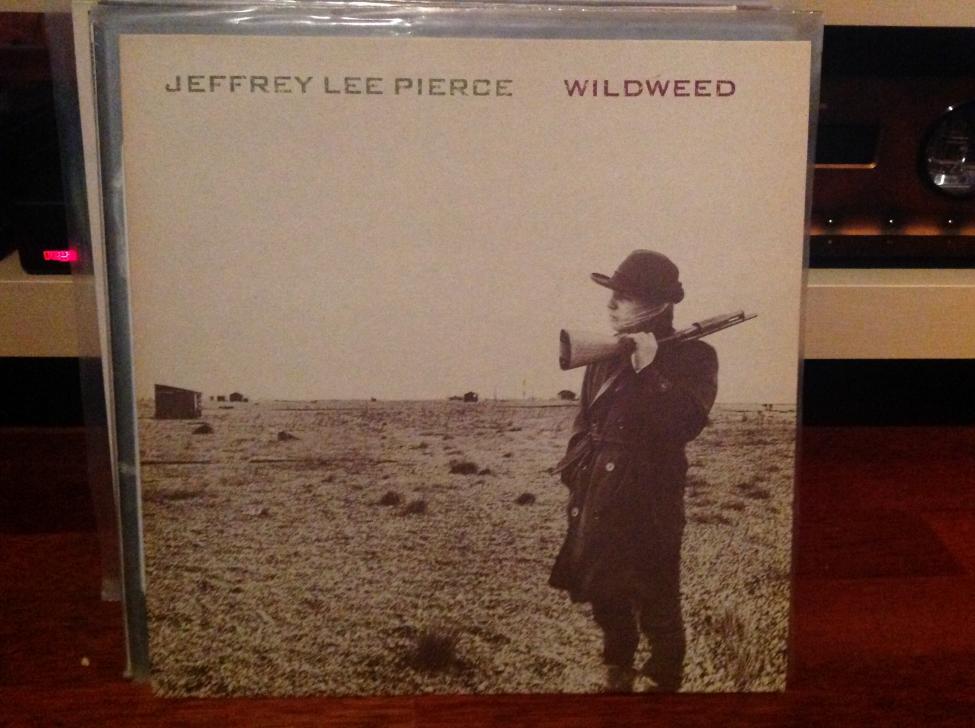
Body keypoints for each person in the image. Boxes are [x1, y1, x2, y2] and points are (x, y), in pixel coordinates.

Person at [549, 249, 718, 692]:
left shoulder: (695, 356)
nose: (610, 306)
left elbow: (685, 423)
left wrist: (649, 368)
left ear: (656, 304)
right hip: (598, 491)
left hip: (650, 499)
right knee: (604, 592)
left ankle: (664, 678)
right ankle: (616, 670)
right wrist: (576, 474)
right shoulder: (601, 353)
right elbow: (585, 421)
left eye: (621, 297)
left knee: (657, 599)